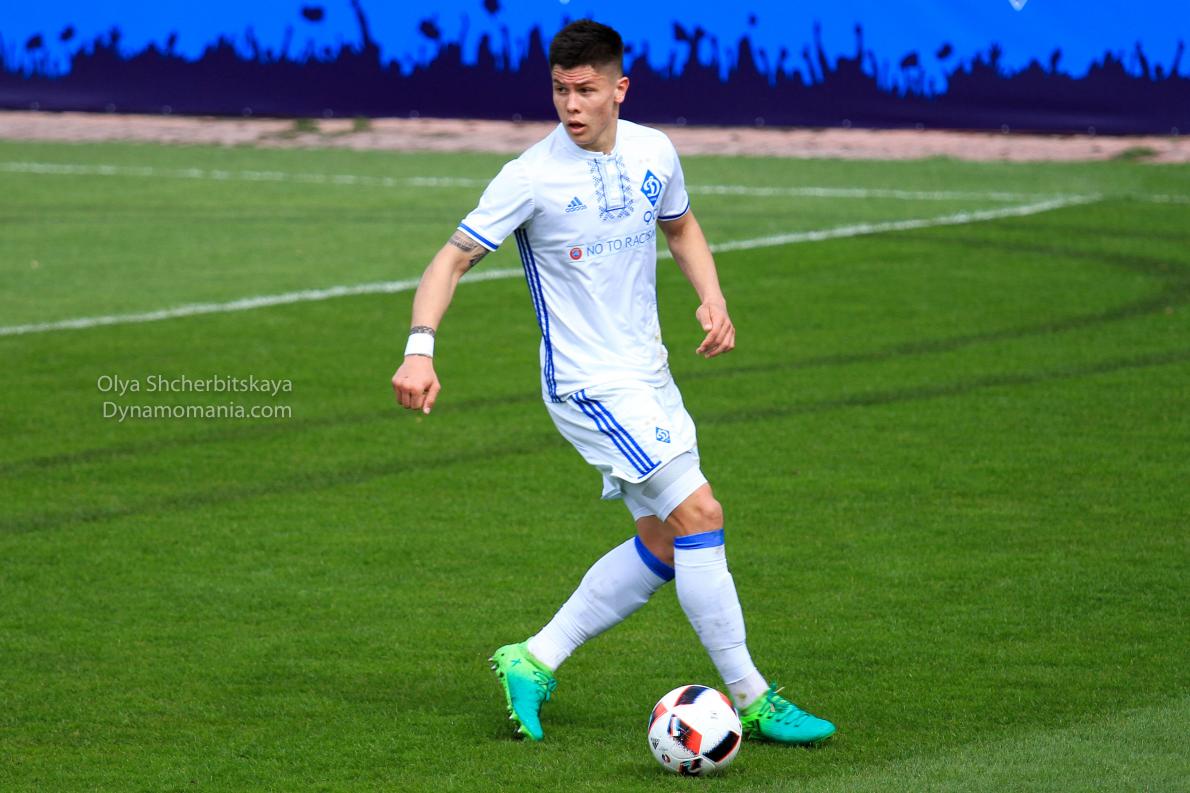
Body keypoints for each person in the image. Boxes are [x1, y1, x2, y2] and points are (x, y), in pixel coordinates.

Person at [391, 19, 835, 746]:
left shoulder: (655, 150)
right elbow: (450, 260)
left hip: (648, 374)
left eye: (587, 90)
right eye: (560, 90)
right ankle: (754, 699)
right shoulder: (530, 176)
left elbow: (680, 226)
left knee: (664, 540)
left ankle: (533, 658)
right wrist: (420, 349)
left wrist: (713, 297)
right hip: (588, 386)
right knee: (701, 513)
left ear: (619, 88)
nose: (572, 105)